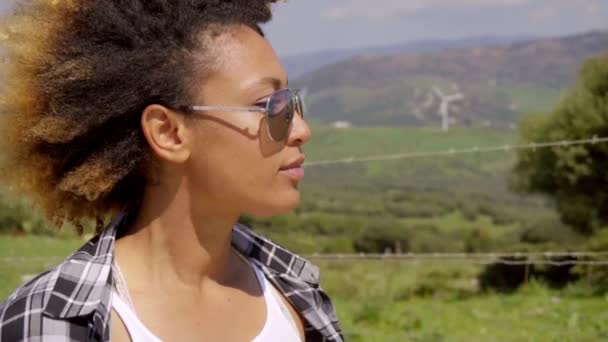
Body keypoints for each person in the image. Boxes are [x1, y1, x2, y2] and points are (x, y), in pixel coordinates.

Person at [0, 1, 343, 341]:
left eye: (289, 102)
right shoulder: (50, 322)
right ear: (168, 133)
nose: (300, 129)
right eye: (267, 105)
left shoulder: (298, 297)